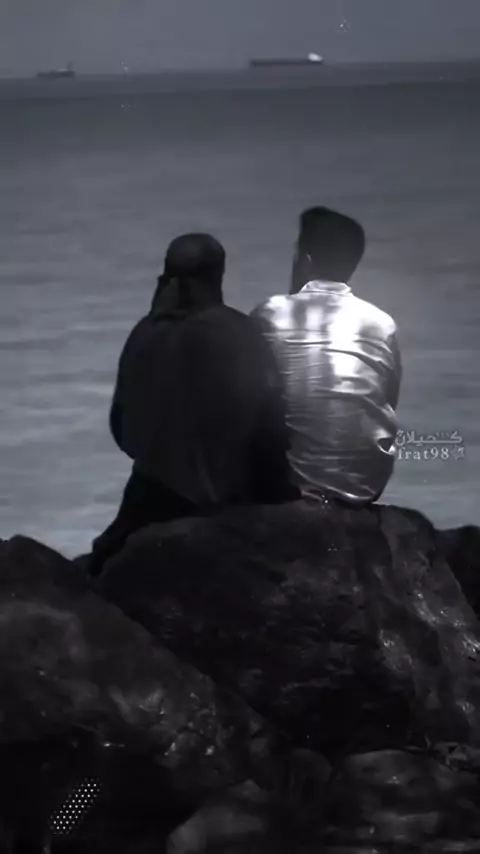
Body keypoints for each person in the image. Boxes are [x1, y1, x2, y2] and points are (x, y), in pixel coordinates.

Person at [88, 233, 294, 576]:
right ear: (219, 275)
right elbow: (271, 427)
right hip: (231, 496)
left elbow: (123, 431)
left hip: (154, 494)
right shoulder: (240, 332)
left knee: (106, 555)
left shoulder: (144, 332)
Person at [250, 207, 402, 505]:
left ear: (305, 261)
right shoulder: (381, 323)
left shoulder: (270, 313)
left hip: (293, 484)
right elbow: (387, 400)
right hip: (365, 485)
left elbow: (247, 400)